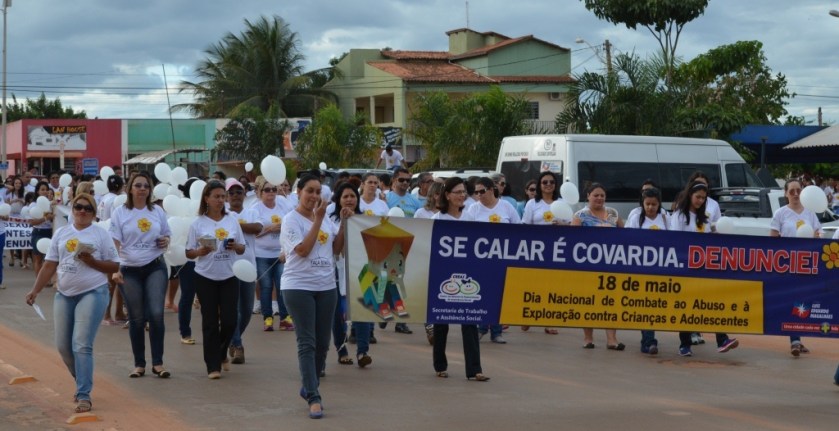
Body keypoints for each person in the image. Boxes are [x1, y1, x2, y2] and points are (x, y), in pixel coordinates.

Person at [24, 193, 120, 414]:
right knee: (64, 347)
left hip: (93, 292)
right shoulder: (62, 232)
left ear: (94, 213)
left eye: (87, 208)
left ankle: (84, 394)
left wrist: (92, 261)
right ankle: (81, 379)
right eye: (78, 207)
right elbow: (49, 264)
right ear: (73, 209)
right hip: (64, 293)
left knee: (81, 344)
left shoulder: (101, 234)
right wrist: (35, 290)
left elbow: (115, 266)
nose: (82, 211)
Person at [281, 173, 345, 419]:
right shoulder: (290, 220)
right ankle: (314, 397)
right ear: (299, 192)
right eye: (310, 191)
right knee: (306, 342)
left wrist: (345, 225)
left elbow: (336, 249)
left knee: (322, 344)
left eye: (318, 192)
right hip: (298, 286)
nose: (315, 196)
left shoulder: (327, 219)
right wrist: (318, 220)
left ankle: (309, 385)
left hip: (326, 286)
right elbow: (304, 251)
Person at [109, 172, 173, 379]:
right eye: (138, 185)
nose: (143, 188)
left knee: (155, 313)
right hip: (129, 269)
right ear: (130, 188)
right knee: (136, 318)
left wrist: (165, 241)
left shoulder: (157, 211)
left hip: (155, 266)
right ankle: (139, 364)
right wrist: (116, 268)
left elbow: (167, 234)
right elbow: (115, 242)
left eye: (146, 185)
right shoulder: (120, 212)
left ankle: (158, 363)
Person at [669, 180, 739, 357]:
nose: (700, 200)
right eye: (697, 197)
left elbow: (710, 240)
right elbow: (675, 241)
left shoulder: (705, 219)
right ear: (689, 196)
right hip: (685, 268)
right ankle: (684, 344)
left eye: (703, 198)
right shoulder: (679, 216)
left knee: (713, 303)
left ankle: (722, 339)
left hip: (705, 268)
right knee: (686, 306)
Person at [185, 180, 246, 379]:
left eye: (223, 196)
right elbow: (188, 253)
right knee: (210, 321)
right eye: (216, 197)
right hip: (205, 276)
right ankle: (213, 366)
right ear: (206, 199)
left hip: (229, 275)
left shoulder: (232, 220)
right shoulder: (198, 223)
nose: (221, 200)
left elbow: (242, 247)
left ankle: (220, 353)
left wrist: (235, 246)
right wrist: (200, 251)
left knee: (230, 320)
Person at [431, 177, 489, 381]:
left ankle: (474, 369)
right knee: (441, 323)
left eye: (464, 192)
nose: (462, 195)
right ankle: (440, 364)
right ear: (447, 195)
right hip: (442, 275)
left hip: (468, 275)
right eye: (457, 192)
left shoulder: (470, 218)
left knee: (470, 322)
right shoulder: (437, 219)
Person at [466, 177, 521, 344]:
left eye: (482, 191)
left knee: (498, 294)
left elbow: (519, 228)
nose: (479, 195)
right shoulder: (473, 209)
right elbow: (467, 232)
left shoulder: (506, 206)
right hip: (480, 259)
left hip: (502, 257)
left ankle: (496, 331)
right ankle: (482, 327)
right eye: (476, 192)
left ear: (491, 189)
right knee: (481, 293)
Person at [770, 178, 820, 357]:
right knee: (793, 300)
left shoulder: (810, 214)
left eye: (798, 190)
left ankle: (797, 336)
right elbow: (773, 240)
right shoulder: (780, 214)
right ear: (785, 194)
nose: (796, 194)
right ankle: (795, 339)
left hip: (806, 266)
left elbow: (817, 237)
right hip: (787, 265)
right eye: (792, 191)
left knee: (802, 302)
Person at [572, 183, 625, 350]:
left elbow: (625, 236)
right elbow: (573, 242)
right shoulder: (580, 216)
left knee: (611, 302)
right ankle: (588, 338)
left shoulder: (613, 214)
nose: (600, 198)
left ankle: (612, 340)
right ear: (588, 196)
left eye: (602, 195)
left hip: (611, 265)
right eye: (596, 195)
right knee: (589, 302)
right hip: (588, 266)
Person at [329, 181, 373, 369]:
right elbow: (335, 250)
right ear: (339, 200)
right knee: (338, 313)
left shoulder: (366, 220)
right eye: (345, 196)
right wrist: (344, 224)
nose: (349, 200)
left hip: (362, 273)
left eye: (352, 196)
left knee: (362, 311)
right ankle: (341, 350)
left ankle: (363, 351)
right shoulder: (330, 221)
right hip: (337, 273)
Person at [624, 186, 669, 355]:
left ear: (659, 205)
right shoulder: (636, 218)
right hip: (640, 269)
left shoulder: (665, 218)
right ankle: (649, 340)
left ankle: (647, 340)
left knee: (653, 305)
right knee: (645, 304)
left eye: (654, 204)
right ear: (642, 203)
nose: (650, 208)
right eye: (647, 204)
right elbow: (628, 240)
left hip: (660, 269)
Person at [520, 171, 565, 334]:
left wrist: (561, 225)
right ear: (539, 185)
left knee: (551, 285)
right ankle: (527, 317)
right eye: (544, 182)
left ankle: (548, 320)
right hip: (535, 250)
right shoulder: (532, 203)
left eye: (551, 182)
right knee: (533, 285)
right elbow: (525, 226)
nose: (548, 185)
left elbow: (570, 225)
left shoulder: (562, 202)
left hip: (556, 250)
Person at [225, 178, 262, 364]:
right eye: (231, 193)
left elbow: (257, 228)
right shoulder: (221, 214)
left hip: (248, 267)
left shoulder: (251, 211)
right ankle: (238, 345)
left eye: (238, 192)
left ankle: (231, 338)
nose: (235, 196)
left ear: (244, 194)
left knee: (247, 311)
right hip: (228, 268)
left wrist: (235, 224)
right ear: (226, 196)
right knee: (235, 310)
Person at [252, 180, 295, 331]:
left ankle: (285, 318)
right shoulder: (255, 209)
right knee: (266, 286)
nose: (271, 192)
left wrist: (282, 228)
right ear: (260, 192)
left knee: (282, 285)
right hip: (261, 254)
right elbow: (252, 235)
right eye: (267, 190)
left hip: (280, 253)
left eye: (273, 189)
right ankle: (267, 318)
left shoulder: (283, 205)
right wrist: (270, 229)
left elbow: (292, 225)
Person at [382, 167, 419, 334]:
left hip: (406, 247)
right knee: (388, 282)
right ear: (394, 181)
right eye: (401, 180)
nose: (405, 183)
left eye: (408, 181)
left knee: (401, 283)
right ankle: (387, 311)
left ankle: (399, 321)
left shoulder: (414, 201)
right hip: (388, 247)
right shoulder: (386, 198)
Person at [98, 175, 127, 325]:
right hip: (113, 241)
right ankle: (107, 313)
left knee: (117, 280)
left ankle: (118, 312)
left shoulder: (103, 199)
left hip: (106, 238)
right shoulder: (117, 201)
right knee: (113, 280)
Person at [29, 181, 55, 283]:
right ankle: (39, 281)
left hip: (50, 231)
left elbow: (54, 219)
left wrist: (52, 218)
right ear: (37, 191)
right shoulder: (33, 205)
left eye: (46, 189)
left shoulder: (51, 203)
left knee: (49, 259)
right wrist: (45, 218)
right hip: (38, 232)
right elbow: (32, 222)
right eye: (42, 190)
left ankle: (48, 279)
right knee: (38, 259)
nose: (45, 192)